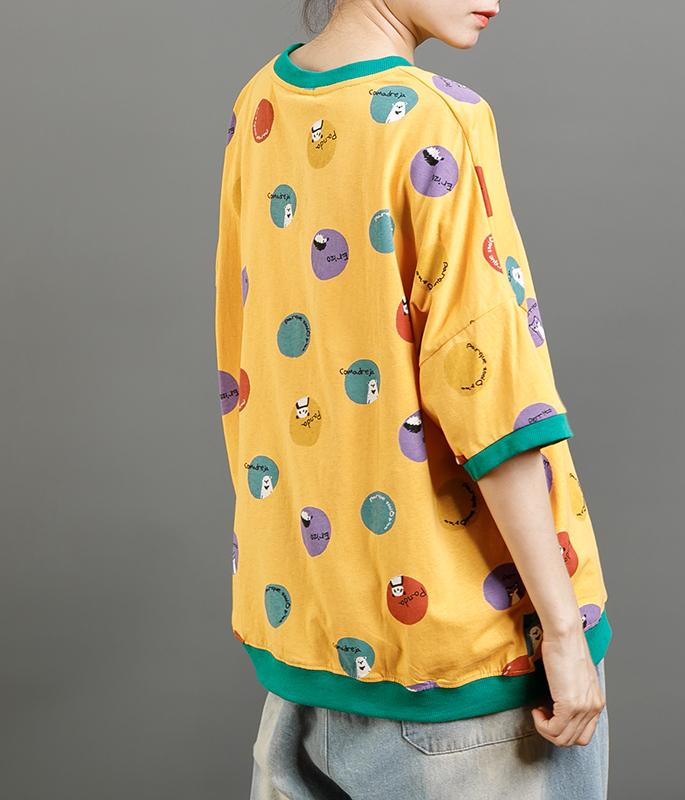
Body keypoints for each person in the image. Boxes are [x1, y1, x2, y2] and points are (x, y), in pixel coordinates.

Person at [213, 1, 613, 797]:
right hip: (466, 672)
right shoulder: (438, 119)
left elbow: (246, 348)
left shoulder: (260, 104)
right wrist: (563, 633)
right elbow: (490, 395)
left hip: (309, 644)